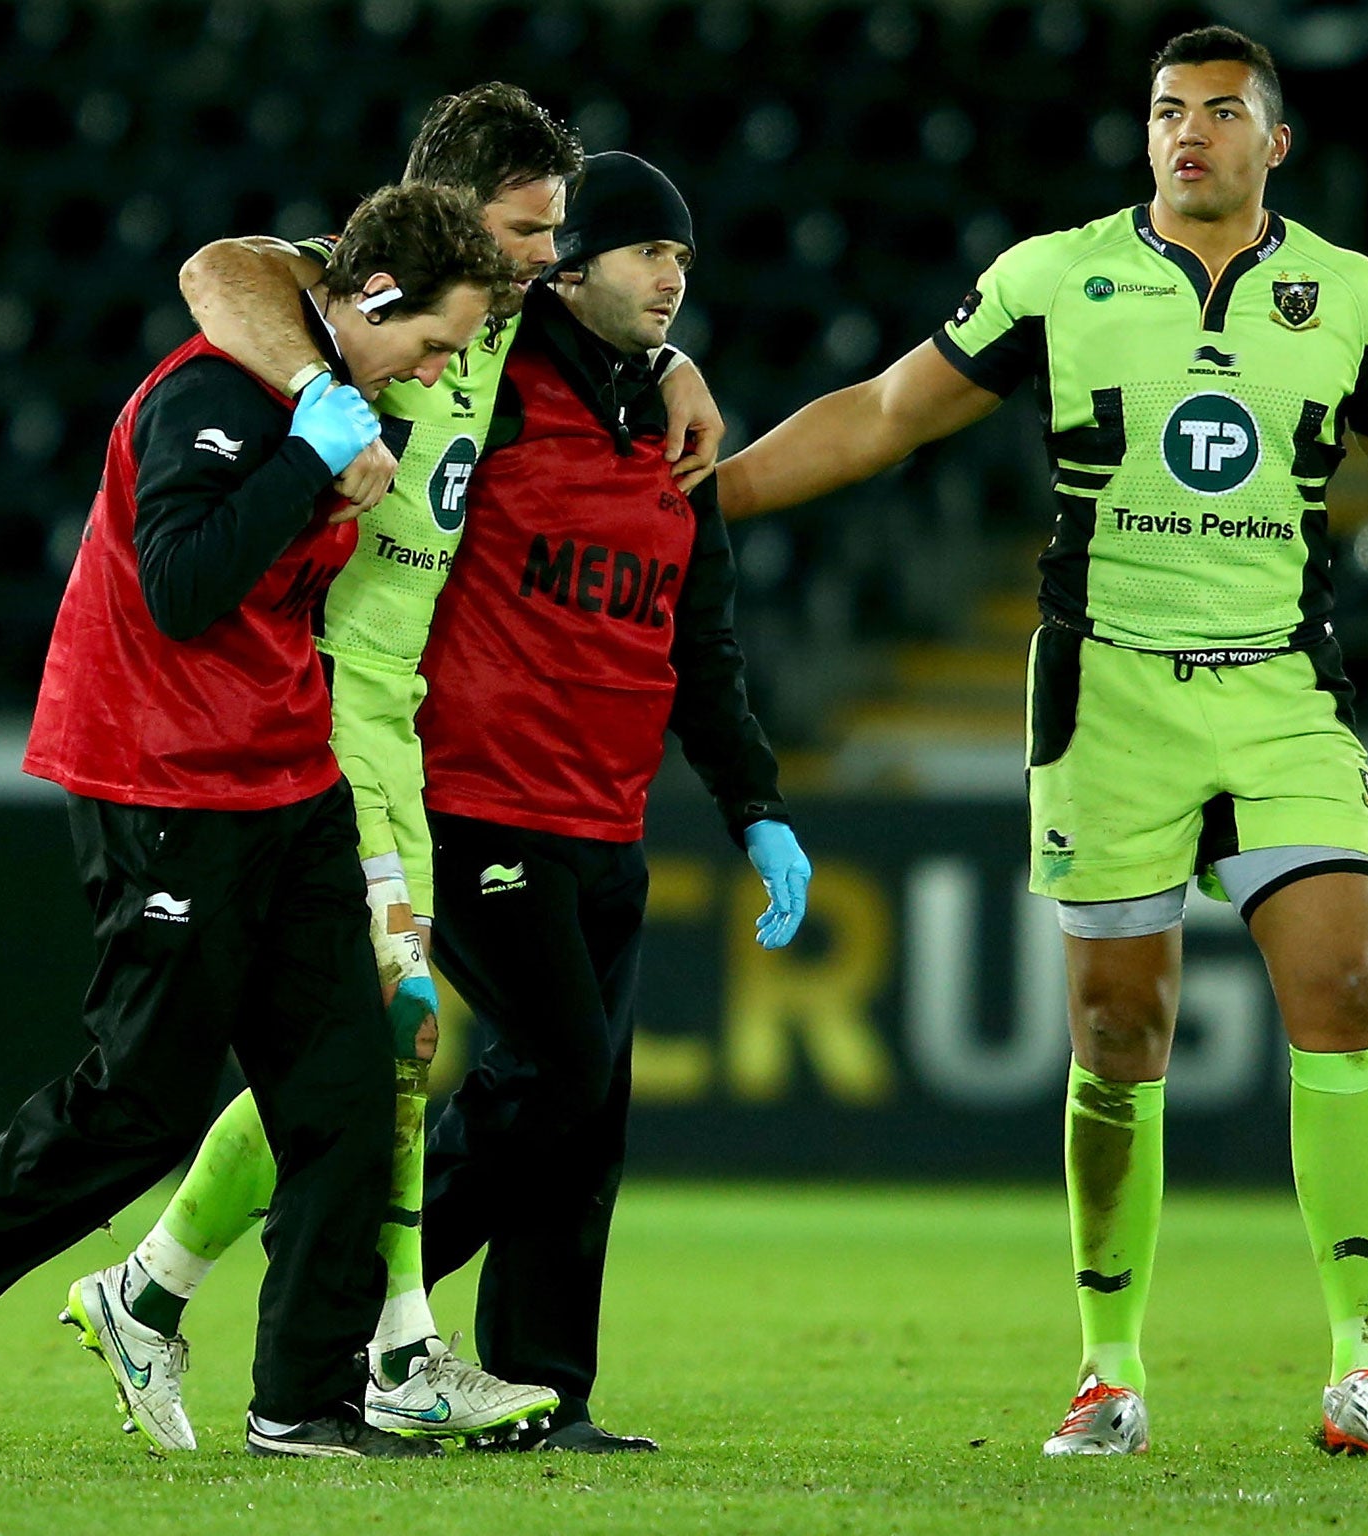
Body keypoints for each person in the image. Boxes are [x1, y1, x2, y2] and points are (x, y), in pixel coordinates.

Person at [715, 25, 1368, 1461]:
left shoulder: (1347, 298)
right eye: (1169, 111)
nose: (1190, 132)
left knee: (1346, 978)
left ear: (1276, 144)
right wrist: (716, 503)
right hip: (1107, 695)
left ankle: (1367, 1364)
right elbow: (888, 415)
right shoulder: (1056, 278)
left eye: (1223, 112)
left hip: (1279, 691)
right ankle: (1108, 1368)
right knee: (1120, 1031)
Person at [79, 85, 727, 1451]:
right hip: (320, 710)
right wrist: (322, 398)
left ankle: (164, 1288)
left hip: (402, 721)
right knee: (384, 1039)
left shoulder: (504, 318)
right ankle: (386, 1345)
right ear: (442, 209)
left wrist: (675, 365)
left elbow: (615, 322)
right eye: (522, 228)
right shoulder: (353, 298)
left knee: (384, 1043)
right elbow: (215, 268)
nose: (544, 258)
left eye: (556, 235)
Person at [0, 182, 516, 1462]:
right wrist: (314, 460)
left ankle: (302, 1406)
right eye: (432, 342)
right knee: (140, 1105)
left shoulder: (336, 392)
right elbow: (182, 590)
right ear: (372, 301)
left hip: (281, 774)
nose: (439, 370)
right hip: (158, 784)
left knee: (349, 1087)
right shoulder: (216, 398)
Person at [414, 150, 811, 1453]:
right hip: (480, 796)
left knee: (588, 1121)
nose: (674, 281)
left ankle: (540, 1392)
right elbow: (424, 277)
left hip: (604, 819)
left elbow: (702, 649)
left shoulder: (677, 438)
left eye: (686, 261)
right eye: (651, 253)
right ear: (570, 265)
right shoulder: (494, 374)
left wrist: (756, 806)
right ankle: (361, 1301)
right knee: (559, 1071)